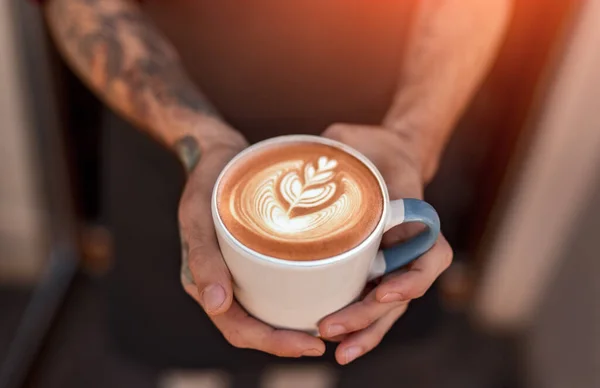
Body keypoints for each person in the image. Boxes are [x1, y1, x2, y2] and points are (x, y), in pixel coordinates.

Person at [42, 0, 511, 374]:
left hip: (380, 141)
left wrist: (413, 138)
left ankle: (304, 365)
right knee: (181, 330)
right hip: (173, 124)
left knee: (328, 339)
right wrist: (197, 137)